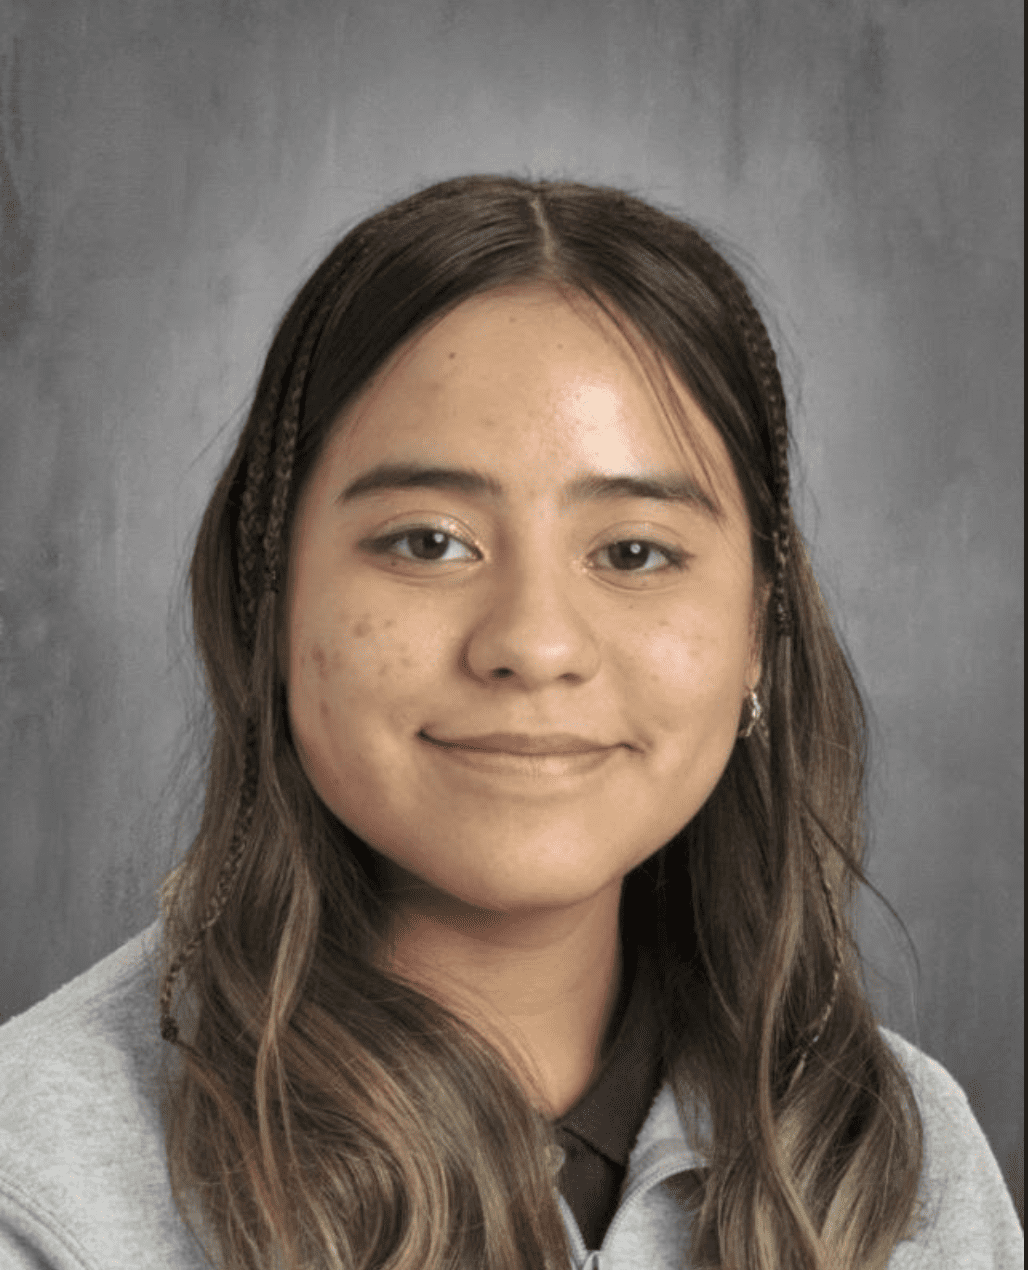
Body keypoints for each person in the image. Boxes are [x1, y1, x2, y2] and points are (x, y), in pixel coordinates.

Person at [0, 175, 1021, 1270]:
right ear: (267, 596)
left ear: (756, 633)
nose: (532, 643)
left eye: (632, 552)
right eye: (428, 541)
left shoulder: (901, 1161)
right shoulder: (41, 1185)